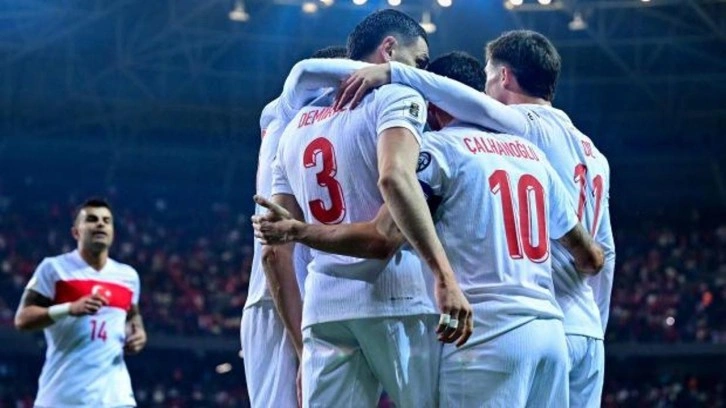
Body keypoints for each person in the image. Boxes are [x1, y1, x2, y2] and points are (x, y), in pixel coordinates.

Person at [254, 51, 604, 407]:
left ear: (434, 105)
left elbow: (384, 233)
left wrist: (299, 231)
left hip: (483, 331)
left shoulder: (437, 150)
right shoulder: (532, 155)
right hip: (549, 330)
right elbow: (591, 255)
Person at [262, 9, 472, 407]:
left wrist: (301, 349)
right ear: (389, 50)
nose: (422, 75)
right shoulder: (398, 95)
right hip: (395, 297)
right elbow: (396, 180)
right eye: (419, 61)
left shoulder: (295, 125)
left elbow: (275, 246)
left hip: (324, 309)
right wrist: (444, 276)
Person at [240, 45, 347, 408]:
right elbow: (275, 253)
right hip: (284, 300)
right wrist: (303, 350)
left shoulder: (291, 125)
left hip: (298, 298)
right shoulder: (289, 116)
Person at [14, 198, 145, 408]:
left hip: (116, 399)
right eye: (92, 219)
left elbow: (132, 315)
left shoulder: (128, 276)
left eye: (106, 221)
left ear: (112, 232)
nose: (100, 224)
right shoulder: (54, 268)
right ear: (76, 232)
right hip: (63, 399)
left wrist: (138, 334)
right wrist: (69, 309)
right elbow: (22, 320)